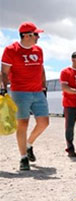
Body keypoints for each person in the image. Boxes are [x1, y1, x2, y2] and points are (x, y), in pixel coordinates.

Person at [1, 22, 49, 171]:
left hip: (37, 91)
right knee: (23, 124)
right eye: (36, 34)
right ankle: (23, 158)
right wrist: (3, 89)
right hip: (19, 92)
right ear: (27, 35)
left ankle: (28, 145)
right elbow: (4, 72)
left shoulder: (39, 50)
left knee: (44, 122)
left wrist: (44, 86)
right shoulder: (11, 50)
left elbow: (41, 69)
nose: (38, 37)